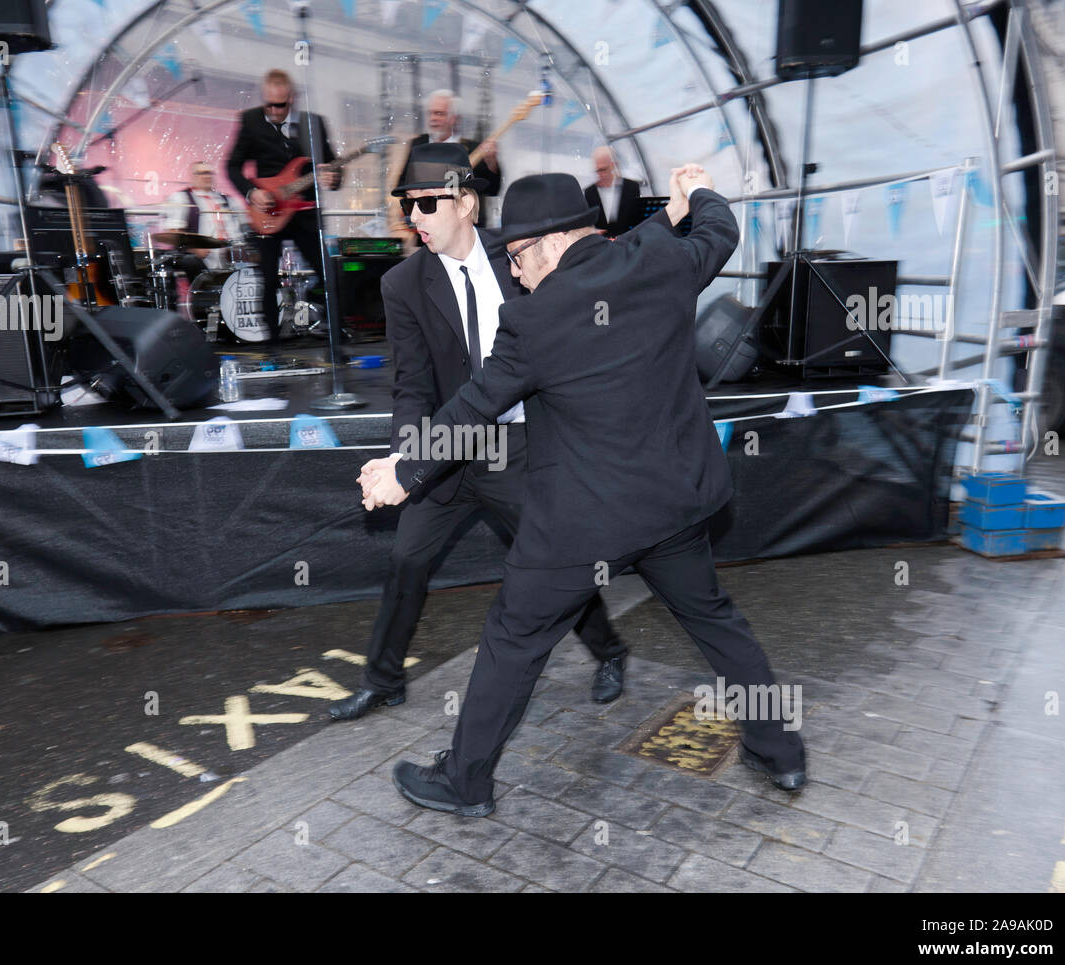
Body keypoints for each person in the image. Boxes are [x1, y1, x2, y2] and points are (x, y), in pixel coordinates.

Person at [360, 165, 807, 817]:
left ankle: (464, 780)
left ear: (548, 242)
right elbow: (722, 228)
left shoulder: (534, 321)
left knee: (514, 638)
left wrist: (404, 471)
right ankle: (782, 754)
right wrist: (693, 196)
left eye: (516, 256)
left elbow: (472, 408)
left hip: (583, 524)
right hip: (676, 505)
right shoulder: (661, 260)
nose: (513, 272)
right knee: (717, 623)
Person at [328, 142, 628, 724]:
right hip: (445, 447)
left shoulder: (522, 254)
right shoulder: (404, 283)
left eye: (425, 204)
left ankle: (610, 651)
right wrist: (405, 461)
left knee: (553, 560)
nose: (414, 218)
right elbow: (412, 384)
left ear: (465, 202)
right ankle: (383, 680)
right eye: (408, 206)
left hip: (515, 446)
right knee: (407, 561)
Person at [226, 69, 341, 352]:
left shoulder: (312, 123)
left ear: (292, 98)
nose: (274, 111)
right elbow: (231, 165)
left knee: (328, 274)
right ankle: (272, 346)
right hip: (267, 212)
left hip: (303, 211)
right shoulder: (250, 120)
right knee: (267, 277)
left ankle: (335, 335)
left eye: (280, 105)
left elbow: (332, 165)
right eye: (269, 105)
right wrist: (253, 193)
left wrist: (333, 178)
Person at [390, 90, 501, 238]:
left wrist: (491, 162)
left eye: (439, 114)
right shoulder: (418, 145)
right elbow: (403, 184)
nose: (433, 118)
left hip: (464, 232)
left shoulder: (472, 149)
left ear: (454, 119)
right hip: (426, 233)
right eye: (430, 113)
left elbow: (492, 189)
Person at [164, 161, 244, 281]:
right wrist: (194, 248)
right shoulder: (181, 198)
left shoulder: (227, 200)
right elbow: (173, 233)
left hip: (228, 255)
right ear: (193, 177)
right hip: (200, 257)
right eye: (201, 173)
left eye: (209, 173)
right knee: (190, 263)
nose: (206, 176)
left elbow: (239, 230)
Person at [583, 146, 642, 237]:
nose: (600, 174)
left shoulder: (632, 187)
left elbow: (637, 219)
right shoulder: (589, 192)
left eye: (603, 169)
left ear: (614, 165)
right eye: (597, 171)